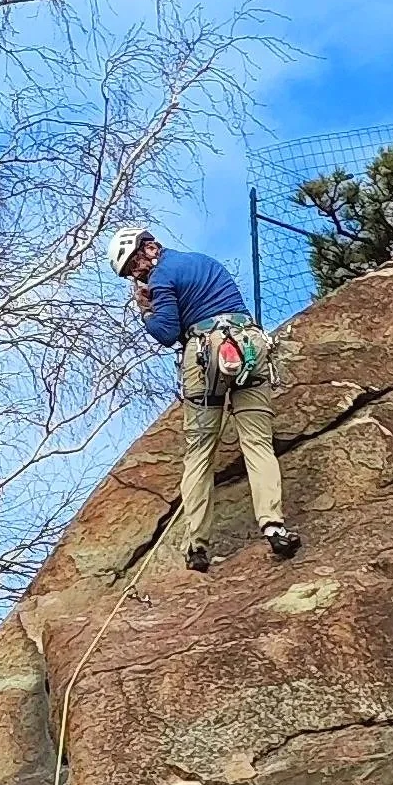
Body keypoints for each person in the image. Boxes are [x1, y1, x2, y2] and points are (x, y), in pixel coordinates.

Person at [107, 224, 301, 573]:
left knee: (200, 452)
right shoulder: (202, 261)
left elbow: (166, 332)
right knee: (257, 441)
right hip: (248, 345)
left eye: (135, 264)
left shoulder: (162, 277)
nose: (136, 273)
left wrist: (146, 310)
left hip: (205, 353)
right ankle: (274, 526)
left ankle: (197, 545)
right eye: (130, 272)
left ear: (149, 249)